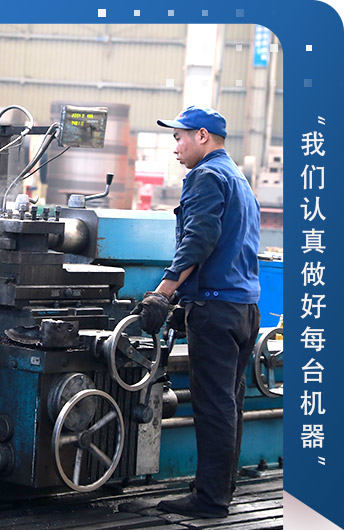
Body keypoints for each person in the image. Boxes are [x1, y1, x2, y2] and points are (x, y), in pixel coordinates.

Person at [131, 106, 261, 519]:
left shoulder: (206, 176)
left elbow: (199, 238)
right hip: (244, 308)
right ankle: (220, 489)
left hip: (216, 309)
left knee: (213, 406)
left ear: (202, 136)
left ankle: (210, 500)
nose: (176, 146)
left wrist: (163, 293)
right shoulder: (237, 177)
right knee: (230, 403)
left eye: (179, 137)